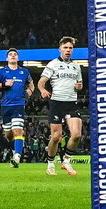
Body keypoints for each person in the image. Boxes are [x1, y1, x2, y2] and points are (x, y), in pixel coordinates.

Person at [38, 36, 83, 176]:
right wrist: (42, 90)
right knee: (56, 137)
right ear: (60, 49)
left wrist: (79, 86)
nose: (68, 50)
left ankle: (66, 161)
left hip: (71, 103)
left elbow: (79, 85)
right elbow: (41, 81)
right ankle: (51, 163)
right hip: (57, 102)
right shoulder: (52, 64)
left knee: (76, 135)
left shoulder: (76, 66)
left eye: (70, 48)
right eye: (65, 48)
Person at [0, 48, 34, 168]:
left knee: (18, 130)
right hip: (5, 106)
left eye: (15, 54)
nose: (13, 56)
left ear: (18, 58)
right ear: (7, 58)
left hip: (19, 105)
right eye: (10, 54)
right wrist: (4, 84)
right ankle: (14, 150)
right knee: (8, 134)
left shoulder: (24, 72)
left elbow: (31, 84)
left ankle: (17, 157)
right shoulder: (1, 72)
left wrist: (30, 90)